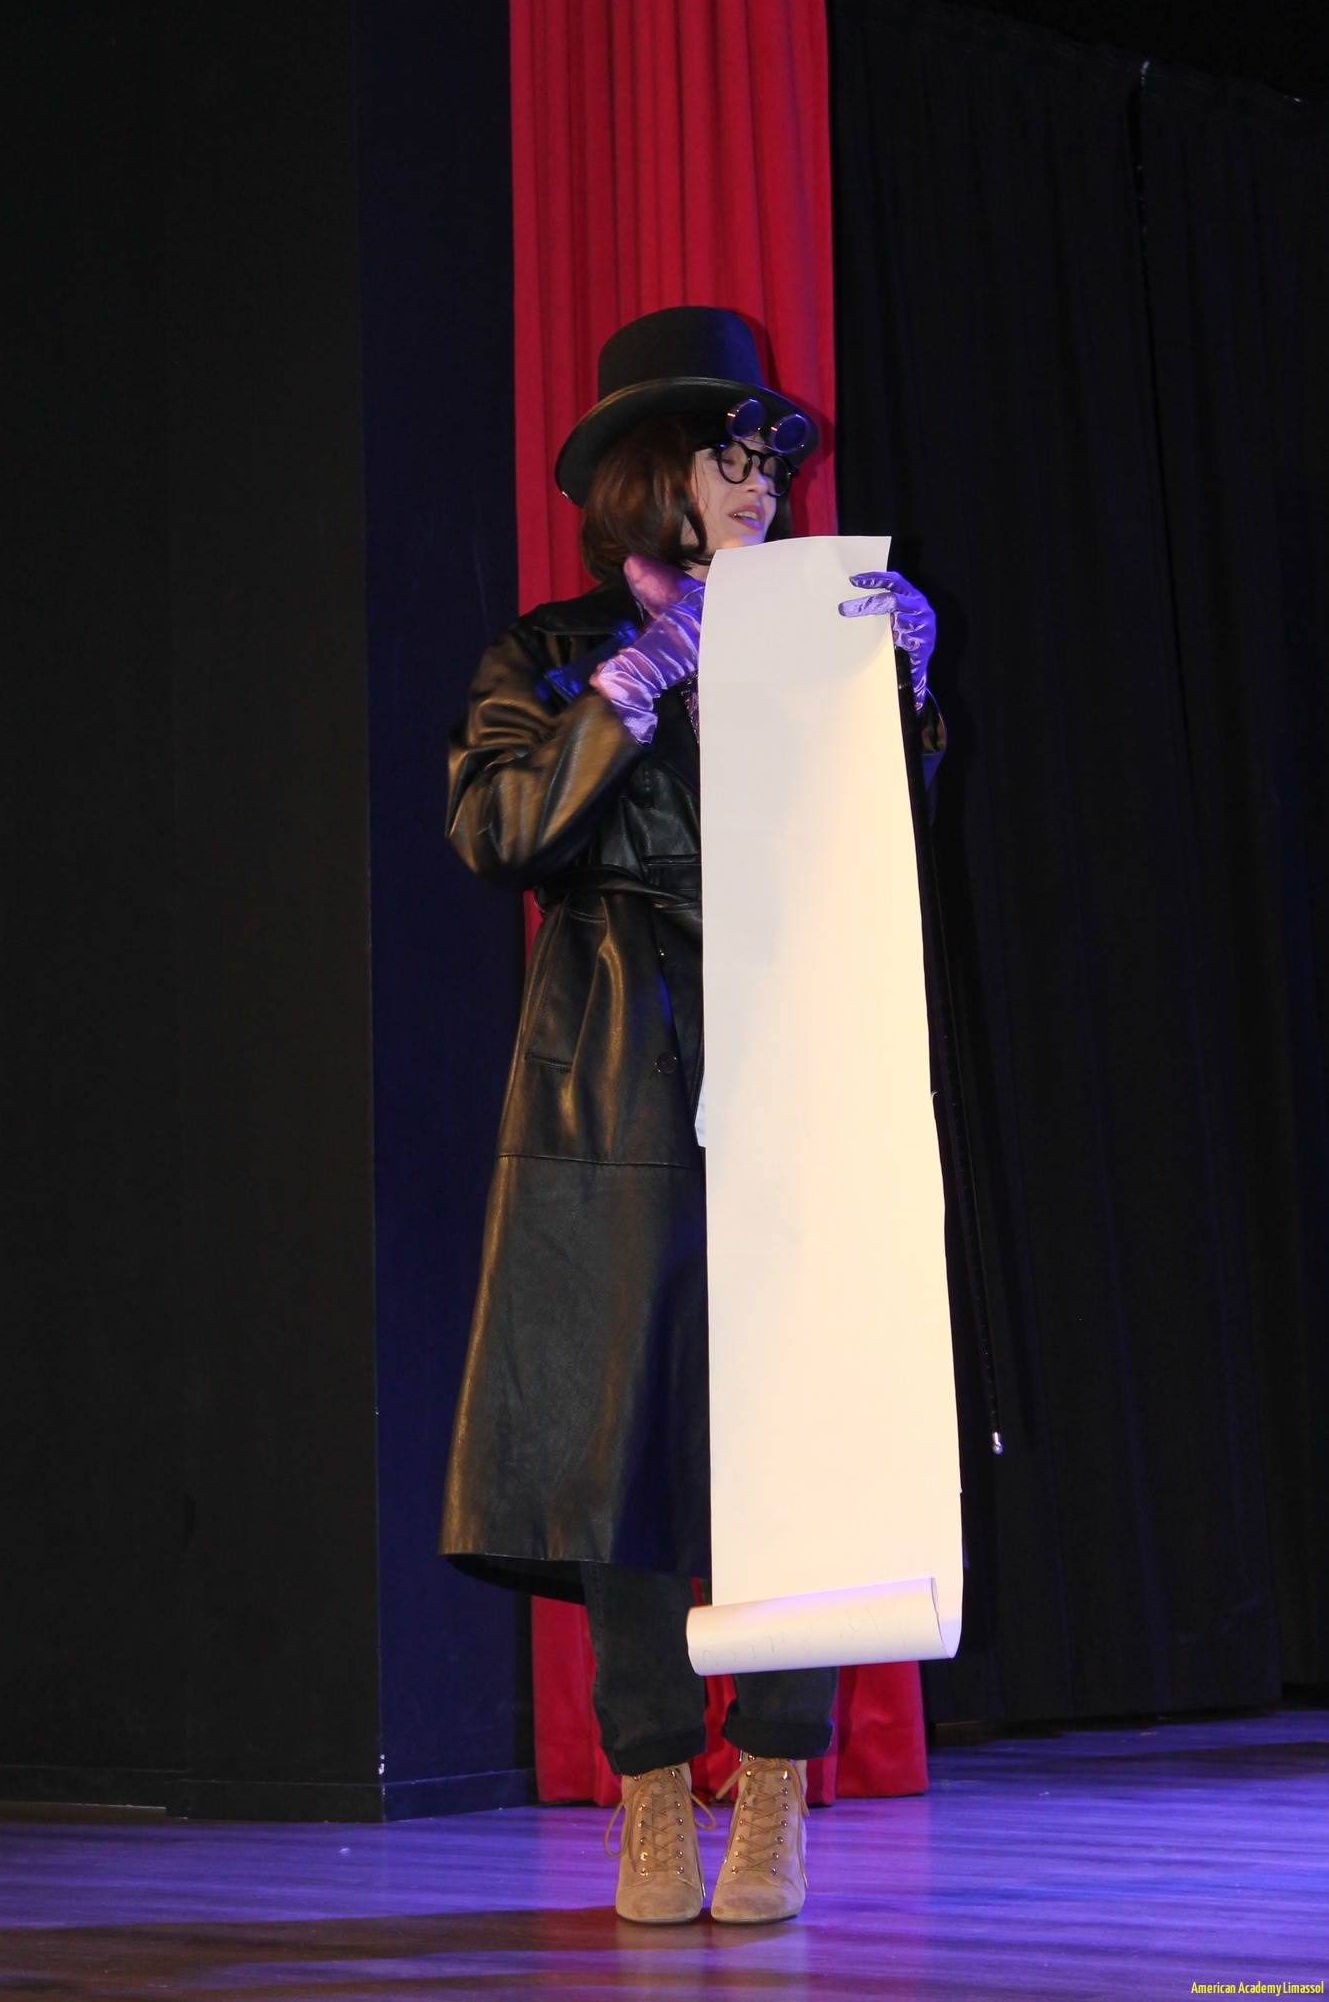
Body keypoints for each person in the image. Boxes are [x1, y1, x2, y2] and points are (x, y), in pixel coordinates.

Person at [441, 306, 942, 1925]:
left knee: (804, 1422)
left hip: (796, 1053)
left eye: (769, 464)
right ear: (650, 471)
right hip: (618, 1062)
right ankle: (653, 1792)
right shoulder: (546, 653)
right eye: (728, 456)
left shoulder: (810, 630)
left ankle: (776, 1781)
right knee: (621, 1433)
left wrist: (898, 684)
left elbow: (881, 848)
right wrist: (631, 688)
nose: (758, 485)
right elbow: (500, 836)